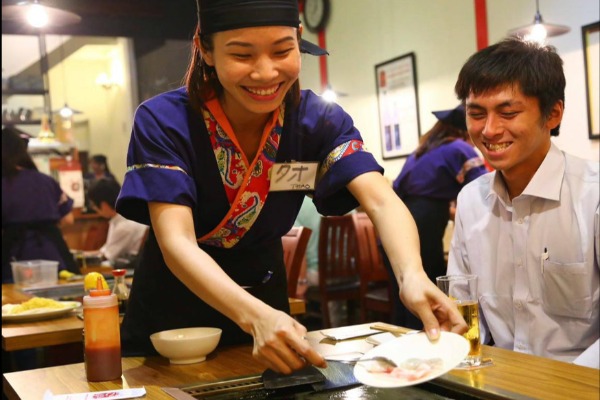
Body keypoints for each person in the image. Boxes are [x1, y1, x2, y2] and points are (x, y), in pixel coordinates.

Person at [115, 0, 466, 374]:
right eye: (242, 55)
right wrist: (254, 318)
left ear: (299, 39)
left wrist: (412, 275)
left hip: (268, 304)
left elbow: (380, 200)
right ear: (205, 49)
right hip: (173, 314)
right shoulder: (164, 120)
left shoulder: (318, 120)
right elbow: (177, 241)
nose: (266, 73)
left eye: (282, 50)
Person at [447, 37, 599, 368]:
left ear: (553, 114)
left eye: (508, 112)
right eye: (476, 114)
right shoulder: (471, 200)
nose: (489, 130)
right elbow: (461, 309)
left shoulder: (593, 196)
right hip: (494, 381)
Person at [381, 104, 488, 329]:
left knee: (405, 296)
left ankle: (405, 354)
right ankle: (433, 344)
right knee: (430, 290)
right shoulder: (459, 148)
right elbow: (485, 192)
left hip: (396, 225)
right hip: (424, 224)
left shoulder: (422, 151)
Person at [2, 127, 79, 282]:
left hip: (13, 259)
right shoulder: (46, 181)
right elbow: (68, 219)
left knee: (16, 303)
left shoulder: (4, 184)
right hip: (52, 255)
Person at [86, 178, 149, 266]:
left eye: (94, 205)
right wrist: (80, 254)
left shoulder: (125, 224)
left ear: (104, 205)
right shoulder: (119, 218)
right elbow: (104, 251)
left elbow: (107, 256)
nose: (94, 209)